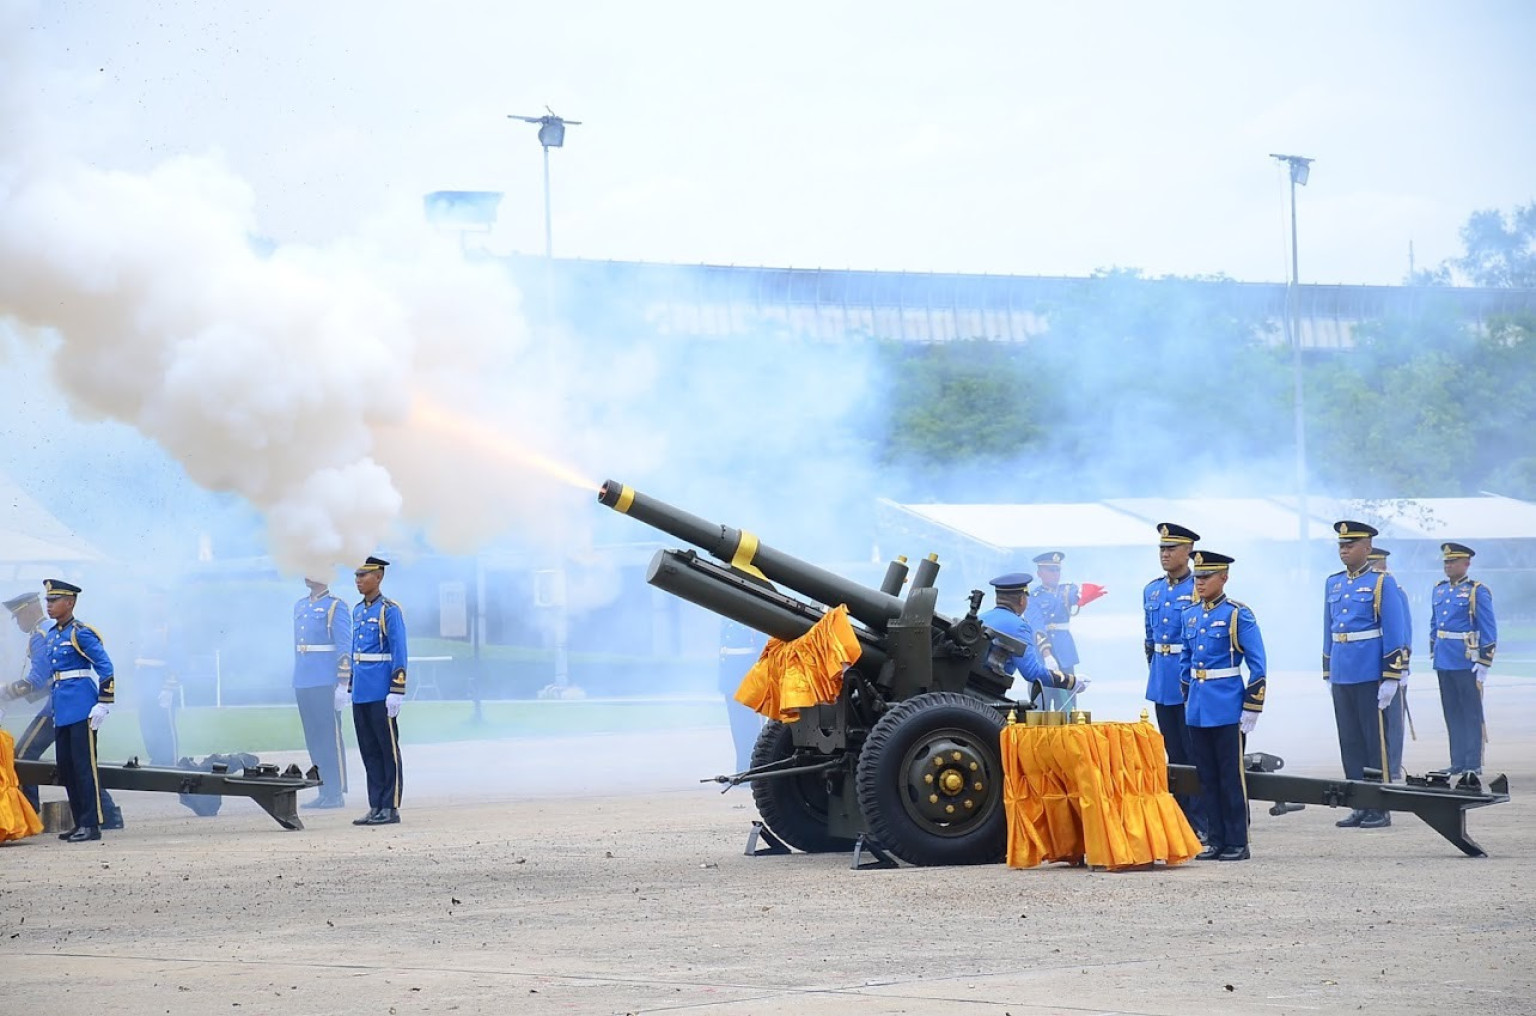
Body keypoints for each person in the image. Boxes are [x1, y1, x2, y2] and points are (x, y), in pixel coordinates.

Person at [0, 591, 123, 828]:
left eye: (18, 616)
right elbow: (50, 678)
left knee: (24, 756)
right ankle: (108, 814)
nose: (18, 623)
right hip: (60, 702)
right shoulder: (51, 630)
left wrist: (6, 692)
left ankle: (29, 814)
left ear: (29, 610)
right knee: (78, 762)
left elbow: (37, 680)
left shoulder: (41, 635)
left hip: (62, 706)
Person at [1179, 551, 1266, 861]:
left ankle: (1238, 841)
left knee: (1230, 777)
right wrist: (1188, 699)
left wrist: (1252, 706)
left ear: (1224, 578)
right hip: (1199, 707)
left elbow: (1258, 664)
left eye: (1207, 577)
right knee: (1206, 777)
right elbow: (1186, 661)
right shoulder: (1190, 615)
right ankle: (1216, 840)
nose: (1200, 582)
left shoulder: (1237, 614)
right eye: (1197, 577)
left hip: (1227, 705)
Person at [1323, 521, 1410, 830]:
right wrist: (1328, 669)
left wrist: (1391, 675)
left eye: (1351, 544)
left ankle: (1379, 806)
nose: (1344, 549)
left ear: (1367, 548)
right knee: (1350, 742)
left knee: (1375, 743)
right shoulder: (1333, 583)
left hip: (1369, 670)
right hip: (1343, 670)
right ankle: (1359, 803)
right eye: (1341, 545)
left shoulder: (1382, 582)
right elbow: (1328, 629)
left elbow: (1394, 630)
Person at [37, 580, 116, 842]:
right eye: (47, 600)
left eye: (54, 600)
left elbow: (105, 667)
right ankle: (80, 821)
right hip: (62, 708)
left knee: (84, 768)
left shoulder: (80, 633)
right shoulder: (52, 634)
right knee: (67, 768)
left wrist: (104, 702)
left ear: (69, 603)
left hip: (82, 707)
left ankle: (91, 825)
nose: (48, 605)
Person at [1142, 522, 1205, 839]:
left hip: (1189, 682)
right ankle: (1179, 821)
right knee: (1174, 754)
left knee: (1194, 755)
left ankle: (1200, 822)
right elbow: (1149, 640)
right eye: (1162, 549)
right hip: (1162, 680)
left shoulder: (1198, 587)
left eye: (1171, 548)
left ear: (1188, 551)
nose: (1165, 554)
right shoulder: (1152, 590)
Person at [1429, 542, 1497, 778]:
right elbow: (1435, 624)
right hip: (1444, 659)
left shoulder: (1476, 591)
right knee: (1452, 712)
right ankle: (1457, 761)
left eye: (1453, 561)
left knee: (1470, 712)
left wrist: (1484, 661)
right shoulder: (1439, 590)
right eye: (1446, 562)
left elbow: (1488, 628)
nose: (1448, 566)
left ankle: (1472, 762)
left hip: (1466, 659)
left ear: (1466, 564)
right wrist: (1434, 650)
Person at [349, 556, 407, 826]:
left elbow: (399, 650)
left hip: (381, 690)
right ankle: (375, 805)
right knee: (369, 750)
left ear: (379, 576)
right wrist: (349, 686)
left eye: (364, 575)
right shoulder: (358, 611)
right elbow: (356, 653)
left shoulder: (389, 610)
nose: (358, 580)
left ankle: (390, 806)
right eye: (357, 575)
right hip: (362, 690)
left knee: (387, 750)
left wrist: (397, 689)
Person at [978, 573, 1085, 705]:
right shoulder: (1019, 627)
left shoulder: (980, 618)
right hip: (989, 695)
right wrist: (1072, 682)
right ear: (1022, 600)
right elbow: (1031, 672)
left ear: (997, 598)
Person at [294, 576, 353, 809]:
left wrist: (343, 683)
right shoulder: (300, 605)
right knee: (314, 738)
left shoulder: (336, 606)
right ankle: (323, 789)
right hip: (303, 678)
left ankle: (335, 792)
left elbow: (344, 646)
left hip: (325, 679)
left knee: (330, 738)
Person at [1027, 551, 1107, 711]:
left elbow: (1076, 596)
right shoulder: (1033, 597)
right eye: (1051, 570)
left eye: (1057, 570)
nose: (1055, 574)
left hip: (1065, 655)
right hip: (1042, 657)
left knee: (1067, 706)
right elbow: (1037, 626)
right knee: (1040, 705)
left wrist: (1085, 594)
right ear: (1040, 573)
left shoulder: (1066, 590)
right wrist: (1047, 654)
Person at [1368, 548, 1411, 781]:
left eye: (1373, 565)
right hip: (1371, 666)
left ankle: (1393, 767)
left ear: (1382, 566)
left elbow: (1404, 631)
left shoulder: (1394, 590)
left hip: (1392, 666)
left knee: (1393, 721)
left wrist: (1401, 666)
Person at [133, 588, 182, 767]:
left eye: (158, 601)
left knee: (164, 726)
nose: (154, 606)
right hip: (144, 683)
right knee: (147, 724)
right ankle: (156, 760)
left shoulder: (171, 627)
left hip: (161, 681)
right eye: (151, 601)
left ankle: (169, 764)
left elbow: (177, 659)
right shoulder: (142, 627)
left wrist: (169, 687)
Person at [719, 620, 766, 773]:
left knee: (751, 728)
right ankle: (742, 768)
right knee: (738, 728)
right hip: (731, 679)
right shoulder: (728, 619)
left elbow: (763, 651)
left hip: (747, 678)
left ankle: (754, 769)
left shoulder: (754, 617)